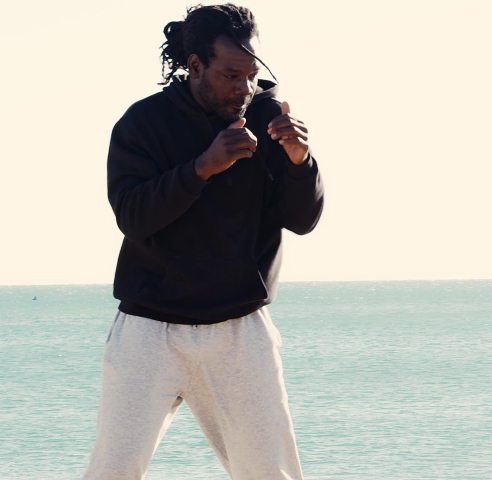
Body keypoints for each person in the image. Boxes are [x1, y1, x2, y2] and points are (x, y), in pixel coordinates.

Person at [83, 4, 323, 479]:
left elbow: (302, 220)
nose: (244, 87)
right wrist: (202, 168)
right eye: (231, 75)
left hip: (239, 331)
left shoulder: (268, 118)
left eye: (251, 74)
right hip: (150, 331)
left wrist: (300, 162)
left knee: (271, 473)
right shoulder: (142, 124)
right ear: (194, 67)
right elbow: (133, 216)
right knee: (112, 471)